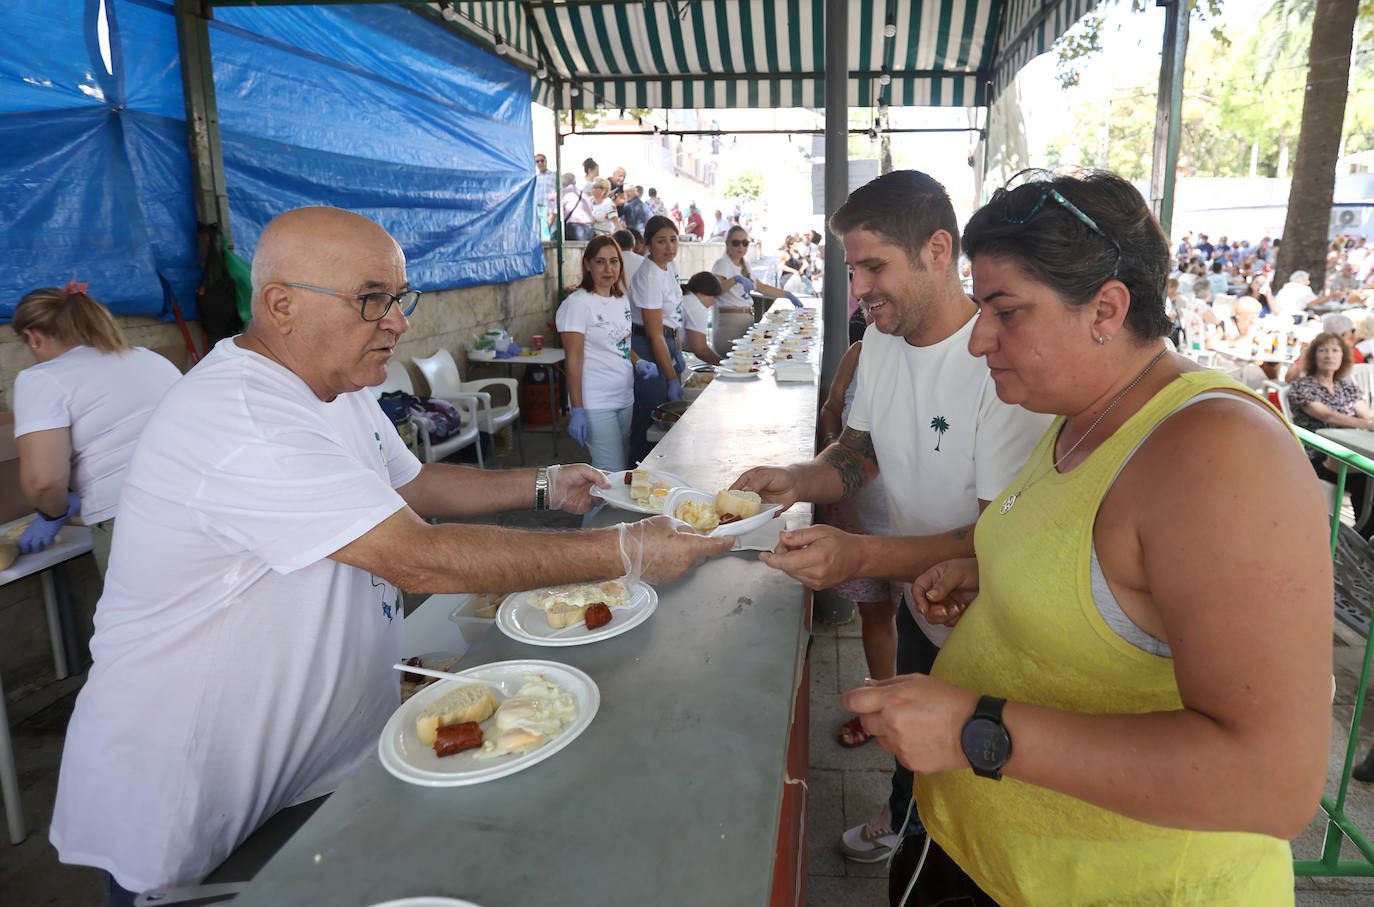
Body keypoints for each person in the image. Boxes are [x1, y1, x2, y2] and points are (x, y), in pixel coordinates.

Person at [49, 207, 732, 903]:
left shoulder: (335, 386)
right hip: (192, 799)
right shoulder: (243, 418)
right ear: (281, 305)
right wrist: (623, 550)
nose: (399, 322)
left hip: (309, 773)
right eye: (372, 299)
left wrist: (544, 483)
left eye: (399, 299)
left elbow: (413, 481)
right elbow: (418, 558)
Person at [843, 171, 1331, 904]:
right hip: (985, 853)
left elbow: (1271, 781)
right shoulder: (1073, 413)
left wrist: (979, 730)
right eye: (982, 308)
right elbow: (1103, 576)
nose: (979, 339)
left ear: (1106, 308)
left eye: (1006, 311)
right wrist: (996, 576)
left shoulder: (1218, 453)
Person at [730, 170, 1049, 865]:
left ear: (938, 250)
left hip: (987, 619)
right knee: (914, 742)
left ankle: (944, 849)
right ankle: (905, 815)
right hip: (917, 600)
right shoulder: (879, 340)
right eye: (852, 267)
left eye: (875, 265)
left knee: (976, 772)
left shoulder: (995, 364)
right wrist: (796, 479)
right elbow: (859, 452)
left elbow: (992, 539)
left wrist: (858, 555)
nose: (861, 286)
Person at [11, 283, 182, 575]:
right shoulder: (149, 359)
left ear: (32, 337)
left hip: (133, 520)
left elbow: (44, 481)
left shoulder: (42, 379)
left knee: (142, 619)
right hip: (204, 501)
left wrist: (53, 513)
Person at [815, 325, 897, 748]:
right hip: (864, 518)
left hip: (926, 526)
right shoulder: (860, 353)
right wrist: (835, 452)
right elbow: (831, 408)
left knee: (933, 623)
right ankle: (881, 709)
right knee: (877, 617)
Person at [557, 235, 656, 471]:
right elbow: (573, 360)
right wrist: (577, 409)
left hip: (624, 397)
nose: (608, 269)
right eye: (600, 262)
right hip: (595, 401)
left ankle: (597, 507)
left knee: (616, 468)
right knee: (609, 475)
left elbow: (619, 342)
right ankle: (592, 509)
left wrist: (638, 361)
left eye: (614, 261)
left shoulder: (620, 300)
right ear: (588, 265)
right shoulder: (577, 304)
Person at [1287, 330, 1374, 528]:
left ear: (1342, 357)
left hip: (1350, 454)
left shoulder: (1347, 387)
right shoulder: (1302, 386)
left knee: (1368, 481)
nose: (1329, 355)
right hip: (1318, 457)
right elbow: (1327, 416)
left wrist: (1369, 421)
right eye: (1323, 350)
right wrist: (1367, 425)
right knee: (1368, 482)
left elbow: (1366, 414)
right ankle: (1360, 538)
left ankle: (1362, 539)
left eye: (1335, 350)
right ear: (1313, 356)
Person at [628, 215, 687, 464]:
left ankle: (658, 471)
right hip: (650, 347)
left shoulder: (668, 266)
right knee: (650, 416)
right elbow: (654, 334)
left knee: (662, 415)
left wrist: (678, 348)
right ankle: (636, 473)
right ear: (648, 244)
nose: (669, 246)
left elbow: (673, 314)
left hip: (666, 342)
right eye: (661, 241)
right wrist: (671, 378)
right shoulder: (649, 275)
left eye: (673, 240)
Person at [710, 225, 798, 356]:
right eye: (736, 243)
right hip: (730, 326)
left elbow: (761, 287)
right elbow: (714, 291)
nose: (741, 247)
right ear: (727, 244)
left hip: (745, 323)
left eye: (745, 243)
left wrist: (786, 294)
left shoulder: (744, 264)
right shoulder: (723, 263)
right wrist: (735, 279)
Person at [678, 271, 723, 367]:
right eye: (713, 296)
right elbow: (700, 350)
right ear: (702, 293)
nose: (714, 301)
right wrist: (725, 366)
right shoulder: (695, 305)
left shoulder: (686, 297)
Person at [560, 172, 594, 242]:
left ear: (563, 184)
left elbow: (554, 213)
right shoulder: (584, 194)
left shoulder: (563, 193)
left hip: (573, 229)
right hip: (588, 229)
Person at [533, 152, 557, 235]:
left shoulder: (554, 175)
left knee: (552, 235)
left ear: (546, 161)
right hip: (539, 211)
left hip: (551, 211)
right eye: (537, 161)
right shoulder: (535, 178)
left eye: (542, 161)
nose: (540, 163)